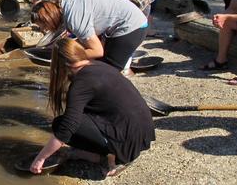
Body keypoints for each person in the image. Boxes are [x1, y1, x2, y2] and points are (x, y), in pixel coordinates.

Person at [29, 38, 154, 177]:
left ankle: (116, 158)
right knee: (77, 117)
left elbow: (67, 126)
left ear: (62, 64)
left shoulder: (81, 83)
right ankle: (97, 153)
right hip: (144, 130)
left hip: (128, 140)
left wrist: (40, 158)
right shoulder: (98, 66)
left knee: (60, 124)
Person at [30, 0, 148, 72]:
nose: (44, 30)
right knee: (97, 64)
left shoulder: (74, 18)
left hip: (132, 27)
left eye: (44, 26)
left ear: (50, 18)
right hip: (130, 21)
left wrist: (68, 56)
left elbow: (97, 51)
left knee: (107, 71)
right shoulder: (67, 3)